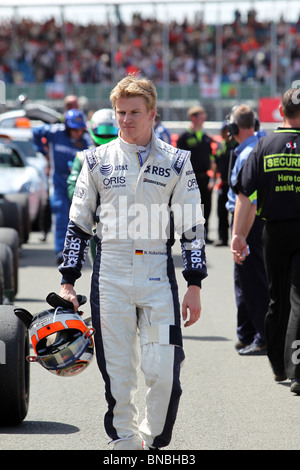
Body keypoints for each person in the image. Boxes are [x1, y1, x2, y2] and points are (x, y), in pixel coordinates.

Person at [58, 75, 207, 450]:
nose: (125, 119)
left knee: (164, 372)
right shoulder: (94, 160)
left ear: (152, 114)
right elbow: (77, 224)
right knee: (119, 374)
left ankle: (151, 439)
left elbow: (192, 226)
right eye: (120, 112)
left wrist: (194, 284)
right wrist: (68, 280)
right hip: (110, 276)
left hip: (158, 275)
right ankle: (124, 442)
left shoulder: (177, 162)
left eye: (134, 112)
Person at [231, 88, 300, 394]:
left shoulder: (262, 146)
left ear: (280, 112)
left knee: (277, 297)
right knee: (299, 298)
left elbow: (244, 197)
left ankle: (278, 365)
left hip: (272, 231)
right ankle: (298, 371)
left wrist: (238, 236)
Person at [226, 104, 269, 355]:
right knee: (243, 281)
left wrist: (238, 234)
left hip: (247, 222)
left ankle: (263, 336)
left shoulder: (247, 154)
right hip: (247, 221)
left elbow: (249, 200)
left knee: (253, 282)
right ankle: (247, 332)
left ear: (234, 128)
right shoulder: (253, 147)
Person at [33, 109, 92, 264]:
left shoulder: (86, 141)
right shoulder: (55, 133)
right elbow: (35, 131)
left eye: (80, 129)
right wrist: (43, 152)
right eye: (74, 129)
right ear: (67, 127)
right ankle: (60, 250)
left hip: (78, 185)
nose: (77, 132)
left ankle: (76, 250)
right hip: (58, 182)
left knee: (78, 217)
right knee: (60, 214)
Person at [67, 108, 119, 260]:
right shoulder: (83, 157)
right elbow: (72, 188)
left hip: (124, 220)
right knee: (99, 267)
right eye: (102, 130)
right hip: (96, 221)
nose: (106, 134)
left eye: (110, 130)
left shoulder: (128, 155)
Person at [177, 105, 216, 243]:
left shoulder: (205, 137)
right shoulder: (184, 137)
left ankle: (205, 234)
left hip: (205, 178)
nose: (204, 119)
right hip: (190, 178)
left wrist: (213, 179)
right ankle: (192, 234)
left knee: (207, 207)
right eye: (201, 116)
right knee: (191, 207)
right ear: (193, 118)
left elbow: (212, 159)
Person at [214, 121, 238, 246]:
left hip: (235, 186)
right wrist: (214, 179)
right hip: (223, 184)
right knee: (221, 213)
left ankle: (235, 238)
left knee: (235, 213)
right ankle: (223, 238)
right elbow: (216, 163)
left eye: (224, 131)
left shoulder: (237, 145)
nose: (222, 134)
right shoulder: (220, 145)